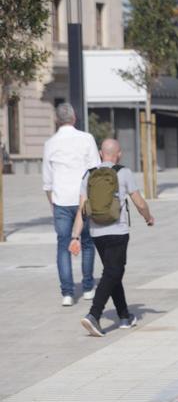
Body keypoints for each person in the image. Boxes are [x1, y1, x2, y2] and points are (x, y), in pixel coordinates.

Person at [68, 139, 154, 336]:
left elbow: (82, 209)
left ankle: (124, 316)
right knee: (113, 272)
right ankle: (94, 315)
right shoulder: (123, 172)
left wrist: (75, 236)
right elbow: (139, 202)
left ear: (101, 153)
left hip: (97, 233)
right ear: (119, 154)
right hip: (118, 231)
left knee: (112, 272)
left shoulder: (88, 175)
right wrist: (148, 217)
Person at [42, 103, 100, 307]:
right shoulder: (87, 139)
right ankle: (88, 288)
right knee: (87, 242)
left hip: (61, 200)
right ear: (74, 118)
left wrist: (53, 204)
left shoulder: (50, 144)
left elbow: (47, 181)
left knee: (62, 245)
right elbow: (95, 171)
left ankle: (67, 293)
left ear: (56, 120)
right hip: (83, 198)